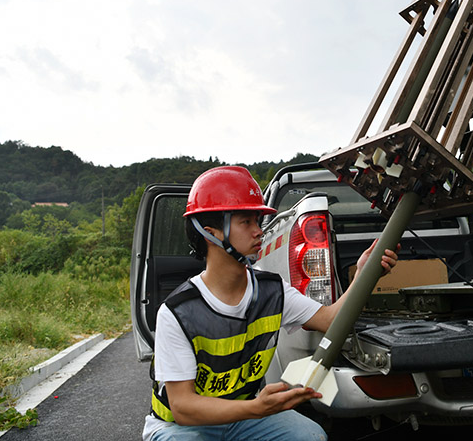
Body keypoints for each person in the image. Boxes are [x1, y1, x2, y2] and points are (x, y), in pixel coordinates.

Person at [142, 166, 398, 441]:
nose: (258, 231)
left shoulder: (271, 289)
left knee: (311, 436)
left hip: (244, 416)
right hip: (181, 427)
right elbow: (183, 408)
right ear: (212, 232)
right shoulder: (177, 312)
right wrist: (255, 408)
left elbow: (331, 320)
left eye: (257, 221)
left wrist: (363, 275)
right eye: (246, 222)